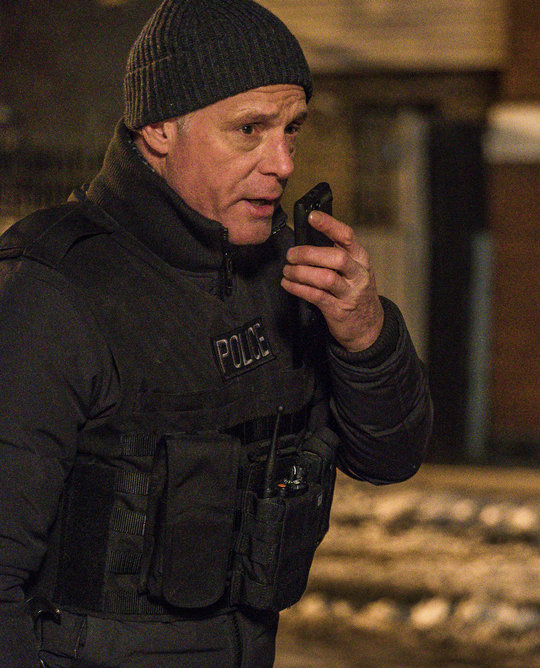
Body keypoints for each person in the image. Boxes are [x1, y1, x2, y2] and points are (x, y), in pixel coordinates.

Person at [0, 0, 433, 665]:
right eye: (250, 129)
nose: (282, 162)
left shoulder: (288, 275)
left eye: (291, 128)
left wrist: (366, 338)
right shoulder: (52, 291)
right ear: (158, 129)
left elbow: (391, 458)